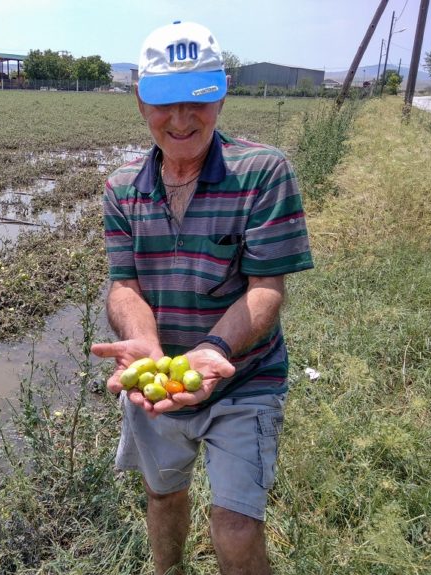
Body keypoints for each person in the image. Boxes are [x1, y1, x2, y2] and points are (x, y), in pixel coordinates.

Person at [91, 20, 314, 575]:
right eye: (165, 101)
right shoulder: (122, 187)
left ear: (222, 92)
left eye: (199, 100)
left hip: (245, 375)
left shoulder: (263, 173)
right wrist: (144, 343)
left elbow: (267, 290)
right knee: (163, 498)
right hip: (160, 378)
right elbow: (125, 284)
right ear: (142, 100)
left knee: (235, 528)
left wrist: (215, 349)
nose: (183, 119)